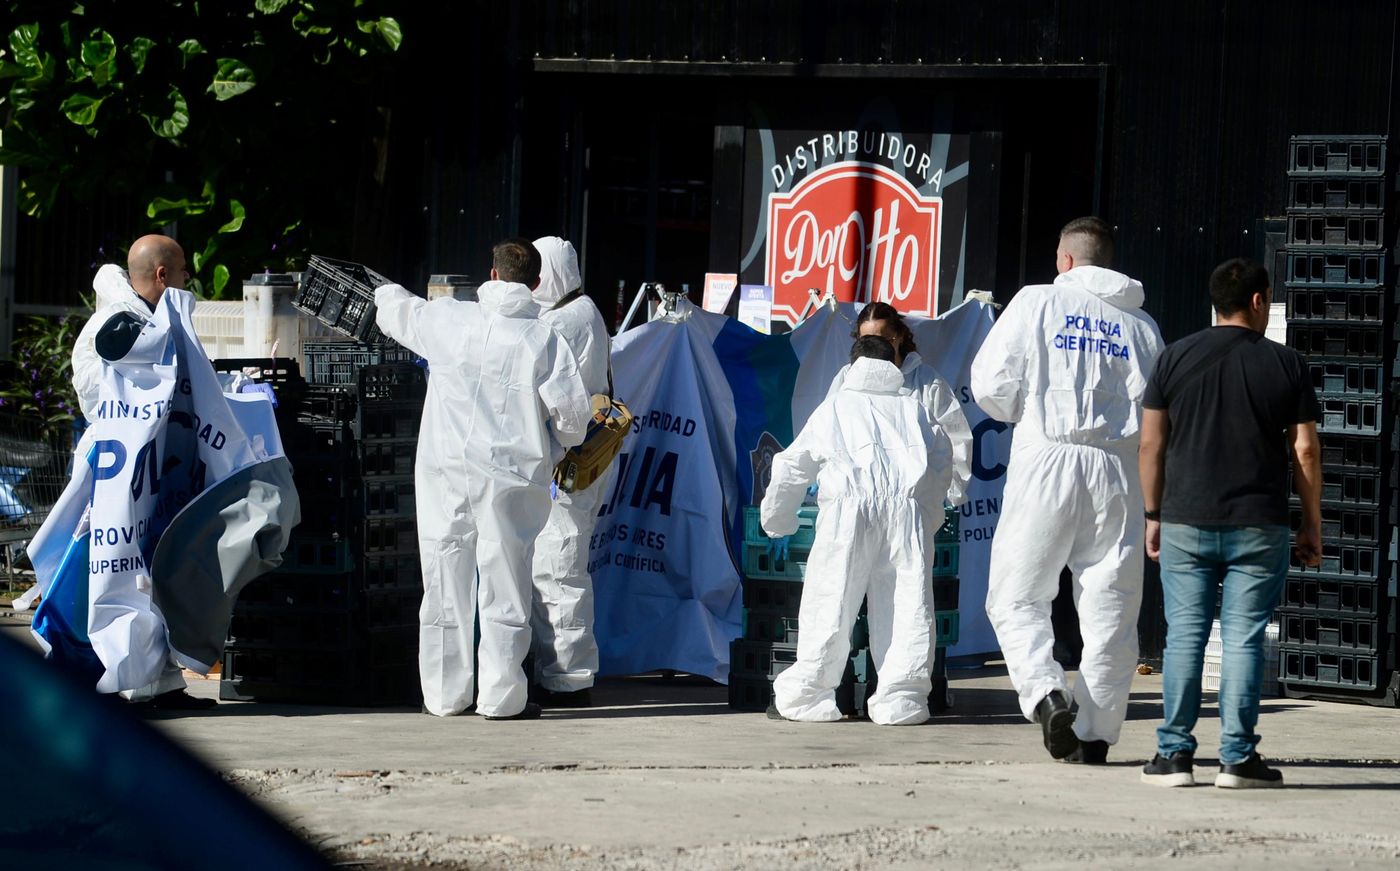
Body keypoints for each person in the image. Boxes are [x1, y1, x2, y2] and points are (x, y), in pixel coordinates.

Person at [971, 216, 1164, 763]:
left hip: (1047, 457)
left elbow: (990, 386)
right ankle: (1096, 734)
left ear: (1065, 260)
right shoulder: (1144, 328)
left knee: (1017, 594)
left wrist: (1022, 413)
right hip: (1118, 471)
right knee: (1112, 608)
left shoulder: (1035, 303)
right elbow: (1159, 416)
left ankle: (1046, 693)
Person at [374, 238, 592, 720]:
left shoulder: (450, 318)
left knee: (445, 577)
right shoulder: (544, 339)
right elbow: (574, 423)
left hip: (445, 470)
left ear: (491, 275)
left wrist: (384, 291)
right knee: (507, 582)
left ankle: (445, 695)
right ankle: (501, 696)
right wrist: (553, 441)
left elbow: (398, 311)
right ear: (536, 284)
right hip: (511, 477)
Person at [1139, 258, 1321, 788]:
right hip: (1259, 524)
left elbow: (1151, 443)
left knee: (1184, 638)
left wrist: (1154, 513)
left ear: (1215, 303)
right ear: (1260, 301)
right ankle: (1237, 760)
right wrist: (1311, 523)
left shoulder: (1173, 357)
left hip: (1185, 519)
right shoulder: (1286, 364)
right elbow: (1305, 451)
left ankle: (1174, 757)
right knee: (1243, 638)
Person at [763, 334, 952, 725]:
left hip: (850, 510)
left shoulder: (836, 407)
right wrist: (927, 517)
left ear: (853, 365)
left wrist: (778, 519)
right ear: (892, 366)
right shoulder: (914, 409)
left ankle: (809, 695)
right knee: (907, 606)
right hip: (905, 512)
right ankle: (903, 700)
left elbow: (791, 466)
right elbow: (940, 464)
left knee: (831, 599)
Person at [69, 234, 211, 711]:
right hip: (119, 472)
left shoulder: (140, 318)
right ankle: (133, 684)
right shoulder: (120, 325)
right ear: (162, 276)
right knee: (127, 572)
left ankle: (161, 681)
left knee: (152, 570)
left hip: (144, 466)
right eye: (184, 271)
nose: (189, 279)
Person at [527, 237, 613, 707]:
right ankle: (561, 668)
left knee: (558, 565)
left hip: (567, 462)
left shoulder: (561, 322)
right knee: (563, 562)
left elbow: (554, 397)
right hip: (585, 460)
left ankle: (568, 677)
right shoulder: (586, 309)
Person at [826, 302, 973, 507]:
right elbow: (828, 435)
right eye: (868, 340)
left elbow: (956, 441)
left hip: (912, 504)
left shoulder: (927, 382)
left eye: (885, 340)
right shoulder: (845, 379)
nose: (877, 348)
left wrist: (947, 498)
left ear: (900, 337)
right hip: (858, 503)